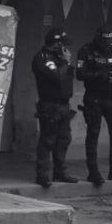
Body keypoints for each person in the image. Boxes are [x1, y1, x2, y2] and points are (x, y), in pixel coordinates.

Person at [76, 27, 112, 186]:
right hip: (93, 97)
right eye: (105, 42)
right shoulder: (86, 50)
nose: (108, 45)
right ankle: (93, 171)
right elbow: (80, 74)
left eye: (110, 42)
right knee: (93, 133)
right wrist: (99, 75)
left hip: (110, 97)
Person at [31, 27, 79, 188]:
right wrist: (65, 61)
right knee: (48, 140)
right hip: (49, 105)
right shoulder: (42, 58)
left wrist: (66, 62)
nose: (66, 49)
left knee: (64, 139)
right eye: (63, 45)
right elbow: (57, 77)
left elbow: (68, 78)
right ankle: (42, 175)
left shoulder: (59, 58)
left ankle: (60, 172)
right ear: (57, 44)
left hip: (64, 105)